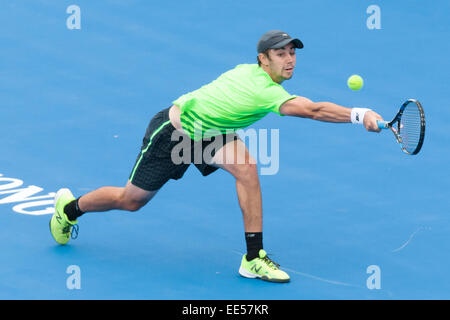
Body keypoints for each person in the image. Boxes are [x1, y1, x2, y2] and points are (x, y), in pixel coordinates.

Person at [49, 30, 383, 283]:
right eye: (280, 54)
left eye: (292, 52)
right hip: (173, 133)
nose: (290, 59)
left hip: (211, 134)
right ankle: (68, 209)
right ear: (263, 59)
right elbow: (311, 110)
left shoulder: (256, 76)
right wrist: (360, 113)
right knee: (131, 200)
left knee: (248, 170)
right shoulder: (262, 90)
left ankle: (253, 257)